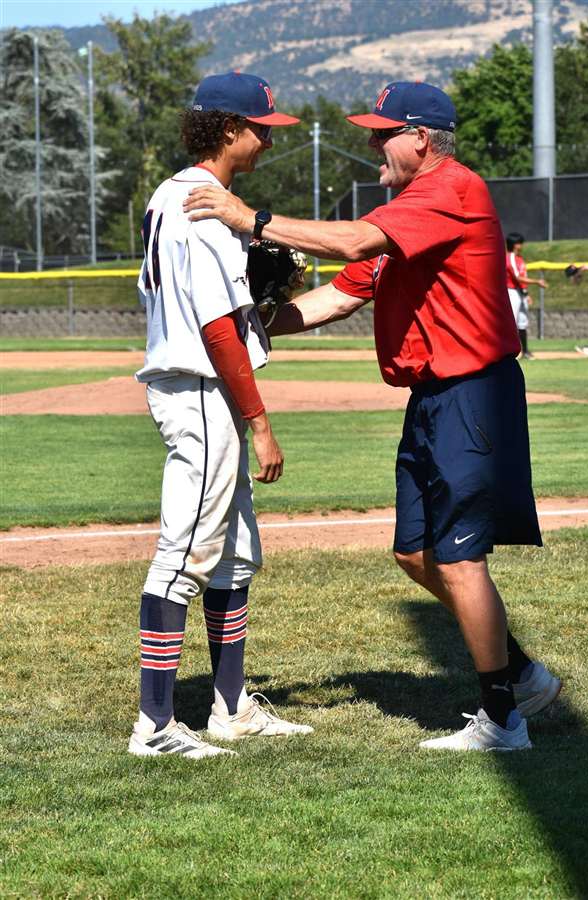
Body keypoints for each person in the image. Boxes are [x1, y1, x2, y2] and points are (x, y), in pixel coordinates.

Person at [183, 81, 561, 752]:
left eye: (380, 132)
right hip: (435, 398)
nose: (369, 142)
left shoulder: (451, 189)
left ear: (421, 138)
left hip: (472, 391)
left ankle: (504, 721)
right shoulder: (411, 209)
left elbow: (356, 243)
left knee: (459, 556)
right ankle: (522, 674)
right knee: (416, 553)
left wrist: (254, 220)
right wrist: (250, 324)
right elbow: (333, 299)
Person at [129, 72, 313, 759]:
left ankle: (231, 707)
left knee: (233, 555)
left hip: (204, 393)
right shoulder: (204, 209)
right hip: (202, 392)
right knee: (184, 554)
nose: (268, 137)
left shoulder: (173, 195)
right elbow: (214, 328)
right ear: (229, 129)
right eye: (262, 126)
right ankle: (154, 726)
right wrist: (260, 421)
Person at [505, 232, 547, 360]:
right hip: (511, 292)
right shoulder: (510, 257)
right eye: (519, 243)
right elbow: (517, 277)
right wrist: (537, 281)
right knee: (512, 322)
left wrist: (526, 294)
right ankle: (508, 352)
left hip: (520, 293)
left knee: (522, 323)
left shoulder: (520, 258)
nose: (521, 245)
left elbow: (521, 280)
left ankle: (526, 351)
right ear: (514, 244)